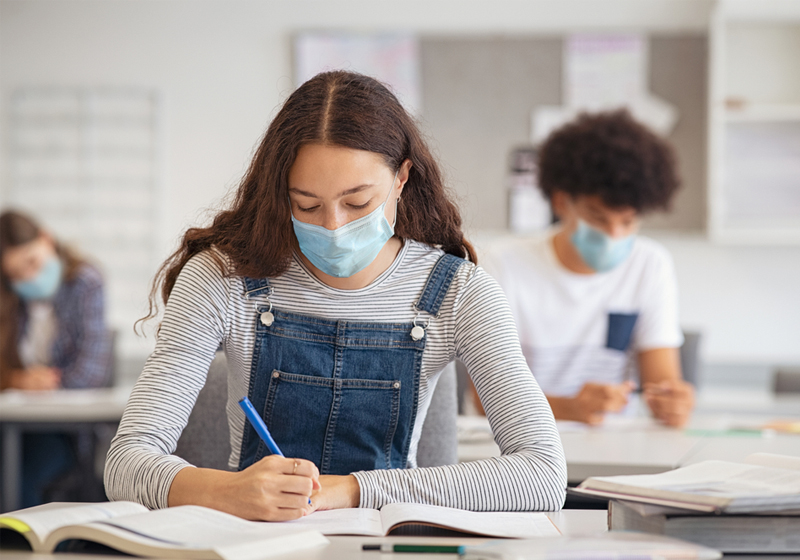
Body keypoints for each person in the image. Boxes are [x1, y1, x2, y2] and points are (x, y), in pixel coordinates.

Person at [104, 71, 567, 522]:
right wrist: (225, 491)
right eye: (306, 205)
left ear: (402, 178)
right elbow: (126, 462)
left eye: (358, 203)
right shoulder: (221, 277)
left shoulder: (460, 292)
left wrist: (352, 489)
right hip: (253, 543)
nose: (333, 226)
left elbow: (542, 474)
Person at [482, 110, 694, 428]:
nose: (614, 236)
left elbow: (662, 383)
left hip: (613, 451)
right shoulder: (501, 265)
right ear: (561, 202)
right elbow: (484, 398)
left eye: (628, 221)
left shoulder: (649, 265)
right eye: (598, 218)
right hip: (520, 448)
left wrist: (672, 402)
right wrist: (569, 408)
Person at [0, 210, 111, 506]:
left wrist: (45, 382)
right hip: (13, 424)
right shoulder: (10, 299)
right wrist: (18, 380)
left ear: (46, 240)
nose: (27, 278)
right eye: (15, 275)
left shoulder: (86, 283)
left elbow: (90, 373)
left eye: (32, 262)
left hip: (63, 431)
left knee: (20, 479)